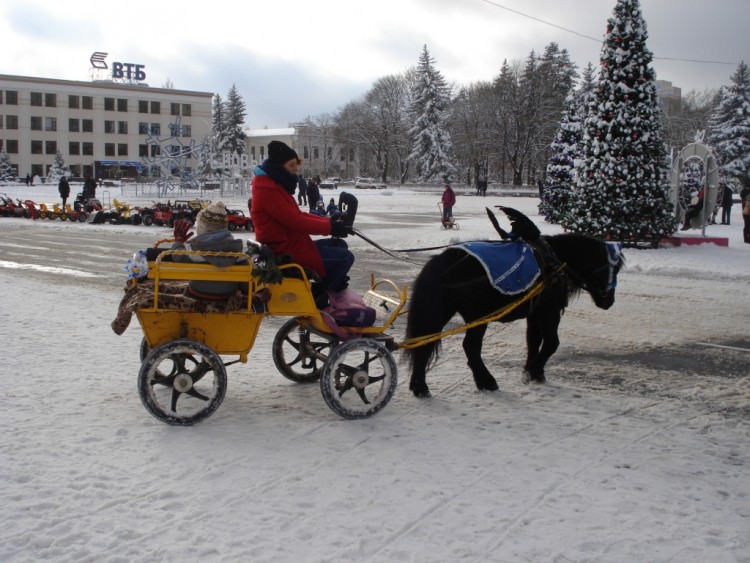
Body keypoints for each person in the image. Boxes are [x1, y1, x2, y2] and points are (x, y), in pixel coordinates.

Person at [251, 141, 353, 308]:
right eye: (291, 165)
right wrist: (330, 228)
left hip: (290, 244)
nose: (295, 169)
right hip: (284, 250)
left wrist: (329, 222)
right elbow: (296, 221)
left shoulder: (273, 185)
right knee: (346, 258)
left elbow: (298, 215)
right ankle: (318, 295)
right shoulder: (267, 191)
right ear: (279, 167)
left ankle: (330, 287)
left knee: (340, 244)